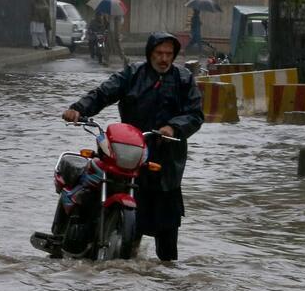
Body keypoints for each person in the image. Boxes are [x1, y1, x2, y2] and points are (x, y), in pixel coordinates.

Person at [61, 32, 204, 261]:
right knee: (102, 194)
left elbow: (195, 114)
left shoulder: (184, 79)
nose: (164, 59)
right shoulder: (133, 73)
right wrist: (78, 109)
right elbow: (103, 93)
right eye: (159, 53)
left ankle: (166, 278)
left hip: (166, 161)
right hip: (128, 153)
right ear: (150, 54)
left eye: (169, 54)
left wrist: (174, 128)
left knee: (167, 231)